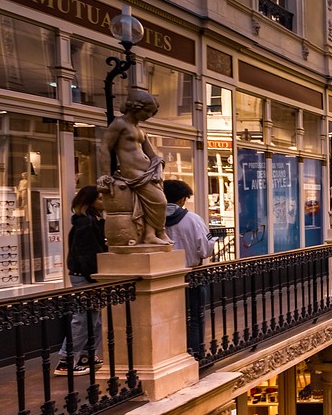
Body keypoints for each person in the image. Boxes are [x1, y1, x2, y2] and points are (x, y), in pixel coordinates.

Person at [102, 88, 172, 246]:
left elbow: (152, 154)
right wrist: (106, 174)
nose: (148, 116)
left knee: (153, 204)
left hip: (148, 172)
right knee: (160, 202)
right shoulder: (120, 124)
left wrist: (157, 165)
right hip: (132, 172)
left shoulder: (141, 130)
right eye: (147, 111)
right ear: (136, 107)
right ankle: (159, 231)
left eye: (152, 113)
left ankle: (150, 234)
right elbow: (105, 147)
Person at [58, 186, 107, 375]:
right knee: (84, 317)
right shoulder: (85, 223)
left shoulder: (92, 220)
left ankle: (87, 355)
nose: (104, 201)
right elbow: (87, 254)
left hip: (88, 276)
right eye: (100, 198)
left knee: (95, 318)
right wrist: (94, 276)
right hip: (85, 277)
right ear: (90, 201)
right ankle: (66, 360)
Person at [164, 179, 215, 354]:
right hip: (192, 275)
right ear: (181, 199)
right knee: (195, 316)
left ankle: (172, 354)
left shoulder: (153, 220)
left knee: (169, 318)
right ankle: (195, 353)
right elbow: (205, 249)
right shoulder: (192, 219)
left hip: (165, 277)